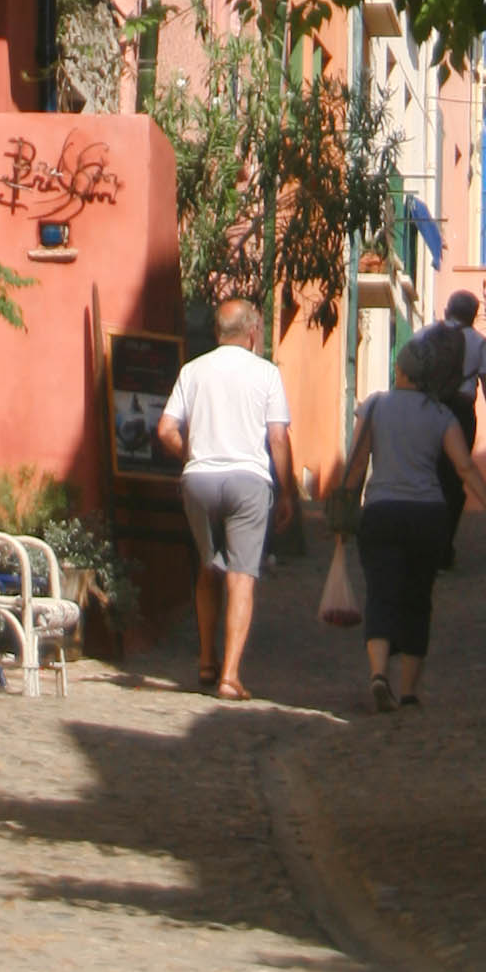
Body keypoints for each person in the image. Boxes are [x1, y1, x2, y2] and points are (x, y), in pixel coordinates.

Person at [335, 327, 486, 710]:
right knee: (417, 600)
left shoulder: (375, 406)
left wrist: (343, 512)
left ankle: (379, 674)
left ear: (400, 371)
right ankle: (409, 691)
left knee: (381, 594)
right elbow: (464, 468)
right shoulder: (442, 415)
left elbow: (358, 463)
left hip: (381, 512)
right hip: (428, 515)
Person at [156, 297, 295, 699]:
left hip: (199, 479)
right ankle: (230, 676)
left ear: (218, 332)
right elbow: (278, 437)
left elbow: (166, 430)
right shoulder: (266, 373)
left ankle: (204, 660)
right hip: (248, 480)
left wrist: (192, 452)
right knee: (240, 576)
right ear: (253, 333)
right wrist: (285, 490)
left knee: (207, 567)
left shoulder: (192, 370)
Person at [439, 288, 486, 558]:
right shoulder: (478, 342)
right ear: (474, 316)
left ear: (447, 310)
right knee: (455, 477)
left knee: (428, 475)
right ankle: (443, 547)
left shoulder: (427, 335)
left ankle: (422, 544)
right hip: (459, 413)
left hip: (428, 410)